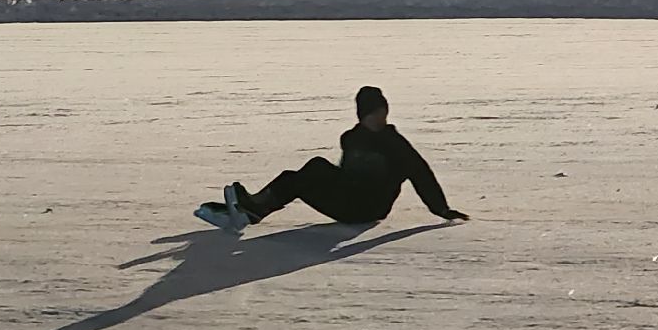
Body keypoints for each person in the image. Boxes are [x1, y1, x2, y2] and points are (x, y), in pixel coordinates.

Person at [197, 86, 469, 231]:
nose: (378, 119)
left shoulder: (394, 144)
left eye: (381, 113)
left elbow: (421, 174)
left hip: (367, 209)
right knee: (304, 172)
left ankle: (252, 209)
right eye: (372, 115)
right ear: (362, 116)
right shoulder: (351, 138)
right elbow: (346, 174)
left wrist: (441, 209)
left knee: (309, 174)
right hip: (348, 198)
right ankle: (252, 207)